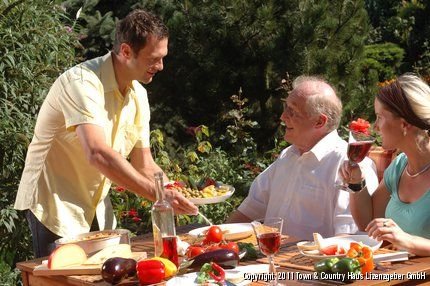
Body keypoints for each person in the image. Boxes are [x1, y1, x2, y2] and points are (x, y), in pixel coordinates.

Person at [14, 9, 198, 258]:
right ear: (125, 51)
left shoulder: (138, 96)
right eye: (154, 59)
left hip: (97, 206)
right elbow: (98, 153)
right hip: (55, 205)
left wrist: (176, 190)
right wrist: (158, 195)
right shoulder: (81, 82)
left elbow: (144, 164)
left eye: (163, 57)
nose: (161, 66)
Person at [227, 75, 378, 241]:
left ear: (319, 122)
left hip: (312, 264)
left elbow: (350, 238)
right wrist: (217, 240)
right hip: (269, 260)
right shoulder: (288, 156)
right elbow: (250, 210)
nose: (283, 117)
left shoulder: (351, 165)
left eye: (293, 111)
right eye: (286, 108)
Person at [341, 73, 430, 256]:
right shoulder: (399, 167)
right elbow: (369, 221)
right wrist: (356, 181)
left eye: (380, 117)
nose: (375, 127)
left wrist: (407, 240)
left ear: (404, 124)